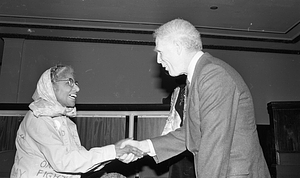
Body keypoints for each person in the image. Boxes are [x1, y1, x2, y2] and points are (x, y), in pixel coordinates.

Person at [120, 18, 271, 178]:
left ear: (177, 47)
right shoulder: (199, 76)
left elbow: (214, 144)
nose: (159, 60)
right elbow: (191, 133)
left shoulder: (212, 75)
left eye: (160, 53)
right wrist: (142, 146)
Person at [10, 64, 143, 178]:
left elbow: (79, 161)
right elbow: (63, 162)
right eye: (69, 82)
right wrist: (113, 151)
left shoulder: (66, 121)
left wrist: (116, 151)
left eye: (76, 83)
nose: (77, 89)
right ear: (50, 87)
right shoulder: (38, 117)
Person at [162, 84, 196, 178]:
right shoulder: (177, 90)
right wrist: (163, 146)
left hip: (194, 150)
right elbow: (171, 120)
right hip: (177, 150)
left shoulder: (199, 86)